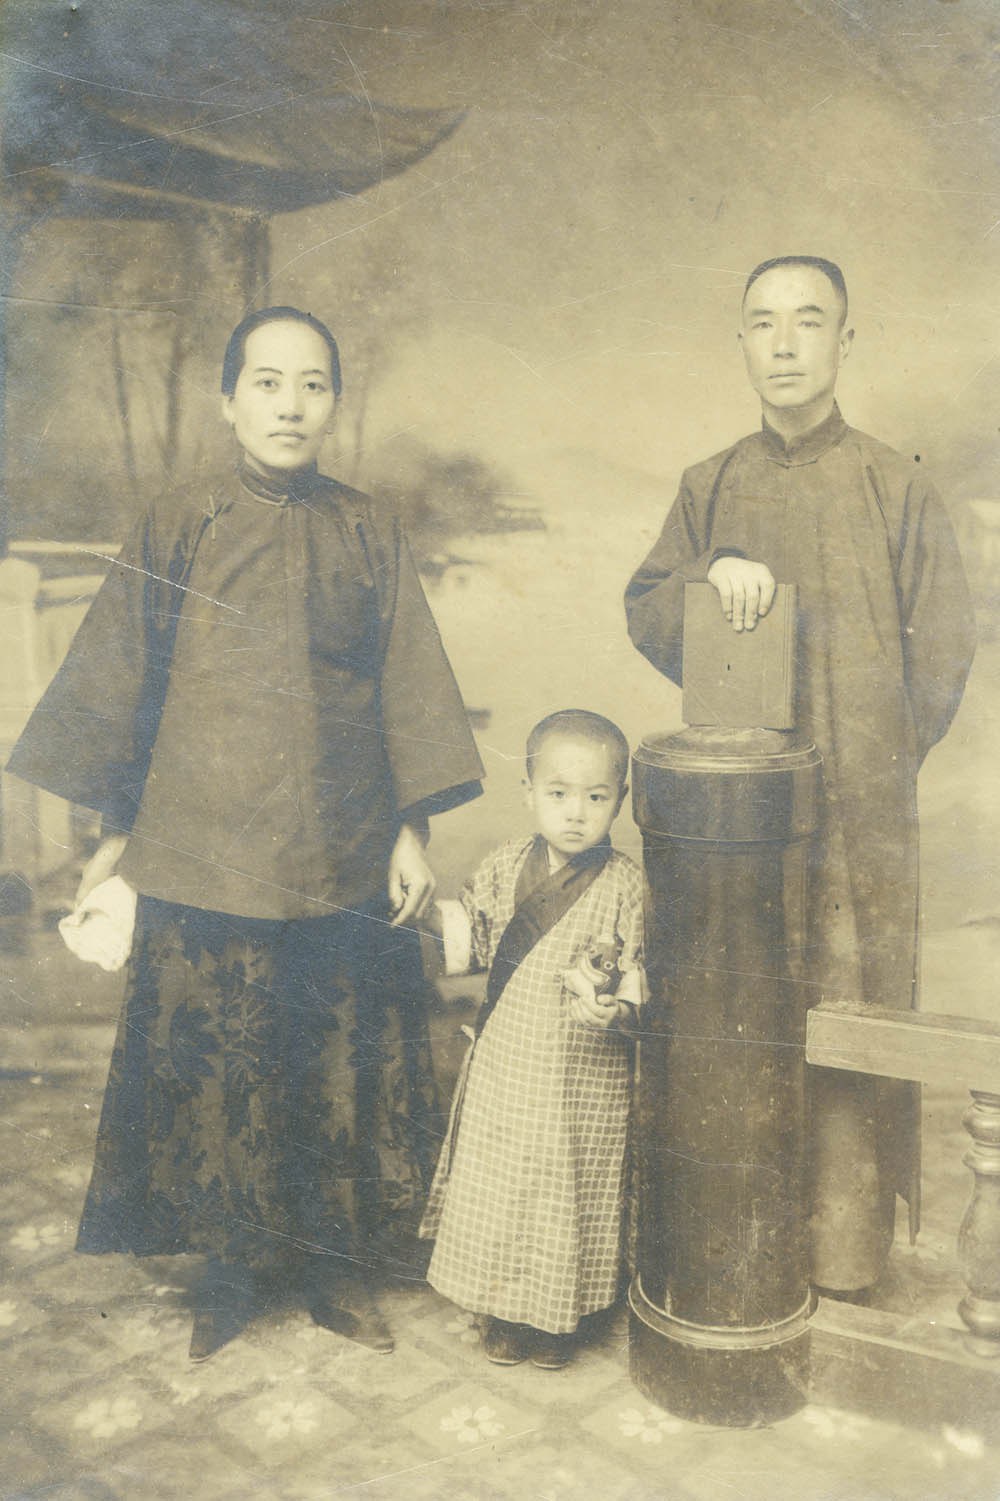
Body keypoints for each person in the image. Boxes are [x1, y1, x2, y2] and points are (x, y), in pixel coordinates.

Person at [7, 306, 485, 1359]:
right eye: (266, 382)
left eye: (312, 383)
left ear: (334, 402)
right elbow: (123, 684)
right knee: (224, 1069)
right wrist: (116, 839)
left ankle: (332, 1267)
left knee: (332, 1063)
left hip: (341, 842)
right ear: (227, 400)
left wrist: (408, 832)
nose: (289, 404)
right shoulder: (179, 520)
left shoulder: (367, 528)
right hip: (205, 847)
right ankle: (228, 1273)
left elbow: (408, 684)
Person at [624, 256, 976, 1300]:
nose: (783, 344)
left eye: (808, 321)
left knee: (850, 1000)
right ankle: (739, 1257)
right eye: (762, 323)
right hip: (739, 819)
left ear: (844, 341)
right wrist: (707, 574)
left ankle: (844, 1261)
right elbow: (648, 602)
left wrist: (872, 757)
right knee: (740, 1010)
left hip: (860, 813)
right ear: (740, 342)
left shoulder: (895, 484)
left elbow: (943, 649)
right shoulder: (709, 485)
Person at [419, 710, 645, 1368]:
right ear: (528, 792)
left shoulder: (628, 884)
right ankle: (505, 1311)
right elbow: (469, 942)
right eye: (558, 793)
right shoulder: (504, 866)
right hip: (509, 1059)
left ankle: (561, 1318)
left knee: (571, 1183)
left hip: (584, 1072)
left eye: (596, 797)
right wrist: (424, 920)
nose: (576, 813)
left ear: (620, 799)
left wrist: (618, 1009)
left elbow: (641, 973)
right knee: (503, 1180)